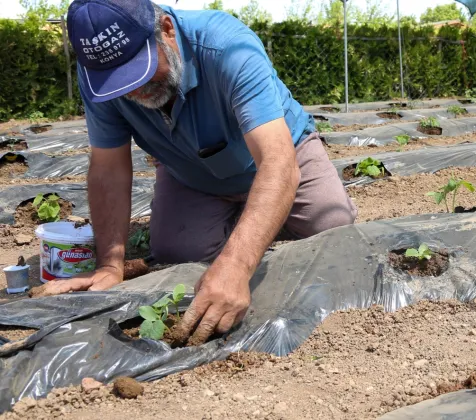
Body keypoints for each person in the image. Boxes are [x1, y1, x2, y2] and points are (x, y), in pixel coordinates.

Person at [36, 0, 357, 344]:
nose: (133, 90)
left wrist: (236, 265)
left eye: (138, 71)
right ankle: (250, 221)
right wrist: (110, 266)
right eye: (118, 82)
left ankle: (257, 223)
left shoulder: (227, 47)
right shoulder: (98, 80)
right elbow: (108, 169)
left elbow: (277, 161)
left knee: (329, 229)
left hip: (281, 152)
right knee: (177, 252)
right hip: (190, 170)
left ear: (167, 30)